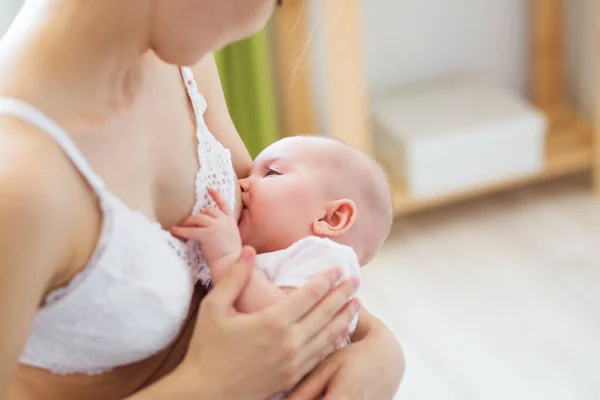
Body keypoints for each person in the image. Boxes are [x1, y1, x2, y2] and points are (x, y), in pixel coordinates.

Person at [0, 0, 405, 399]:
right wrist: (207, 383)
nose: (258, 22)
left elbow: (290, 254)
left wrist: (379, 346)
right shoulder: (20, 177)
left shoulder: (178, 58)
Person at [174, 135, 394, 399]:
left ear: (331, 217)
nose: (242, 184)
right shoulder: (270, 256)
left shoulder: (326, 258)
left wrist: (227, 259)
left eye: (271, 173)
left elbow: (286, 326)